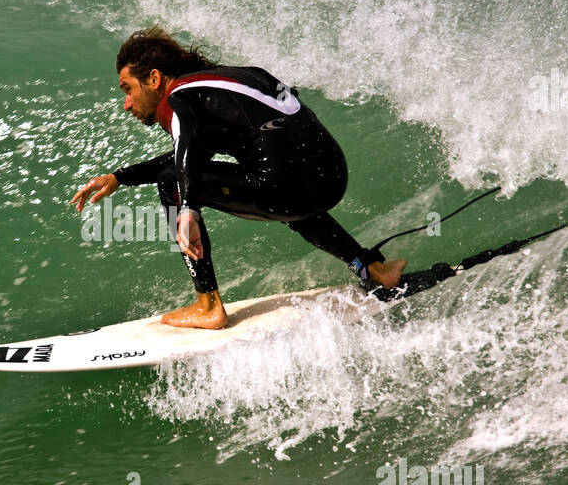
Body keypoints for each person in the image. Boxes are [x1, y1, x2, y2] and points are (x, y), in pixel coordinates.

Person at [71, 26, 406, 329]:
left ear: (155, 79)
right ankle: (374, 269)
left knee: (172, 181)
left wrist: (187, 209)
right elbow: (195, 155)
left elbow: (185, 144)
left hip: (285, 187)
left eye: (127, 89)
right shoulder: (230, 83)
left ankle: (209, 306)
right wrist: (120, 177)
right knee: (285, 187)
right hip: (329, 178)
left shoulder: (179, 96)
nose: (127, 104)